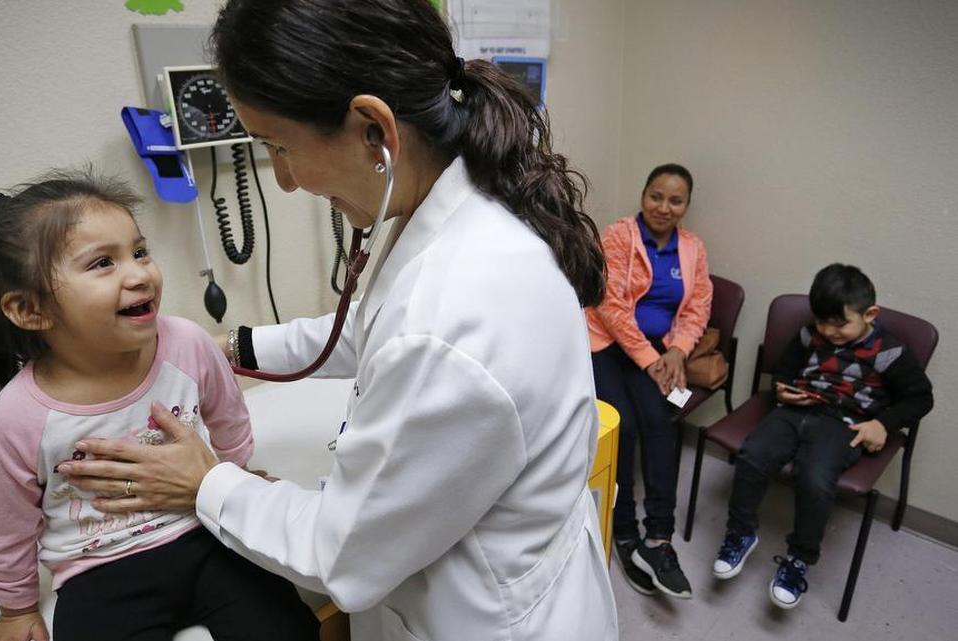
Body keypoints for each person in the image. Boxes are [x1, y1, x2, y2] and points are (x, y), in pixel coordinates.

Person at [55, 1, 618, 639]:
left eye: (279, 146)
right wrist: (230, 347)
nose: (287, 181)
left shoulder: (453, 314)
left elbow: (343, 554)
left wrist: (206, 483)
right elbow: (367, 334)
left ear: (373, 128)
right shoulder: (458, 205)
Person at [0, 171, 319, 641]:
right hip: (101, 568)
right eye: (103, 263)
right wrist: (16, 611)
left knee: (287, 627)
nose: (140, 273)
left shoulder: (186, 343)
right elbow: (5, 527)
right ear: (29, 310)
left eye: (139, 252)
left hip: (208, 528)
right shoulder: (17, 419)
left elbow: (228, 418)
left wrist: (236, 475)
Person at [711, 264, 933, 609]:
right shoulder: (808, 333)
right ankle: (740, 533)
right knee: (753, 455)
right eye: (822, 321)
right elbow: (784, 369)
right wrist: (783, 390)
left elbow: (921, 398)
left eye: (840, 323)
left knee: (814, 476)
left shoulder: (890, 352)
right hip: (794, 411)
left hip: (844, 422)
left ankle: (799, 558)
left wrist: (884, 424)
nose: (829, 331)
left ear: (870, 313)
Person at [586, 163, 711, 599]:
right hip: (605, 344)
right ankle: (623, 533)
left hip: (657, 349)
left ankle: (658, 539)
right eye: (656, 196)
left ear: (686, 206)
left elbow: (698, 306)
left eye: (675, 200)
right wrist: (650, 360)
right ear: (643, 196)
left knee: (661, 421)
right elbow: (609, 304)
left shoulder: (692, 248)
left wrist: (676, 350)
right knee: (625, 427)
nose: (664, 207)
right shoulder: (618, 236)